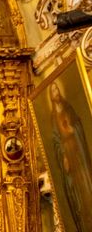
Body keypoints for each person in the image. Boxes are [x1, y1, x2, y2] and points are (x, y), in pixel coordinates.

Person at [49, 82, 92, 231]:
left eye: (56, 89)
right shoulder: (53, 117)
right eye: (52, 90)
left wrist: (73, 129)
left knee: (86, 184)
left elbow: (78, 125)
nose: (55, 92)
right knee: (75, 190)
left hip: (78, 153)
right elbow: (55, 140)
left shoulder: (68, 108)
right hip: (68, 156)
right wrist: (63, 155)